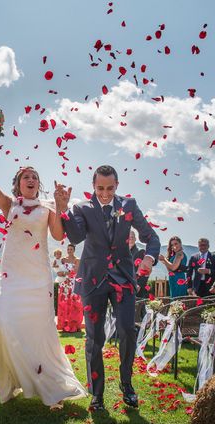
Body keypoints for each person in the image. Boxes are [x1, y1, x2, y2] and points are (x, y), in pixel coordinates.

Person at [0, 126, 86, 409]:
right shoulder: (9, 204)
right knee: (5, 324)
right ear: (18, 183)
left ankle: (49, 385)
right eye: (26, 176)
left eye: (35, 177)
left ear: (39, 184)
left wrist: (60, 207)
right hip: (12, 279)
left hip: (38, 279)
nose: (31, 179)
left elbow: (59, 236)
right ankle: (11, 380)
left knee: (39, 332)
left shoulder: (48, 206)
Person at [57, 165, 160, 411]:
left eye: (110, 188)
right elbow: (76, 237)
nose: (105, 193)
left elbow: (151, 236)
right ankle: (97, 393)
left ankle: (127, 384)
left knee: (126, 330)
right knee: (95, 338)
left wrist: (150, 257)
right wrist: (63, 208)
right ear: (94, 186)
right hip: (93, 279)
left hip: (123, 278)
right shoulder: (82, 207)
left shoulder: (129, 205)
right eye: (100, 188)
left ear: (117, 186)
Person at [56, 244, 83, 332]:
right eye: (68, 249)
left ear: (74, 250)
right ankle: (64, 325)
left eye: (71, 249)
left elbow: (75, 271)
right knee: (64, 304)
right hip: (64, 284)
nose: (69, 250)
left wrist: (64, 273)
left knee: (74, 304)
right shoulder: (63, 259)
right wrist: (60, 273)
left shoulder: (77, 260)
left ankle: (74, 325)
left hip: (73, 284)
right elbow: (58, 269)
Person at [129, 229, 149, 298]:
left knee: (139, 307)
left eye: (132, 237)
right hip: (125, 286)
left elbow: (146, 270)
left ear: (135, 239)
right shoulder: (122, 253)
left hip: (137, 286)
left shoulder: (141, 252)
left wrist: (139, 284)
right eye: (128, 237)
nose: (130, 239)